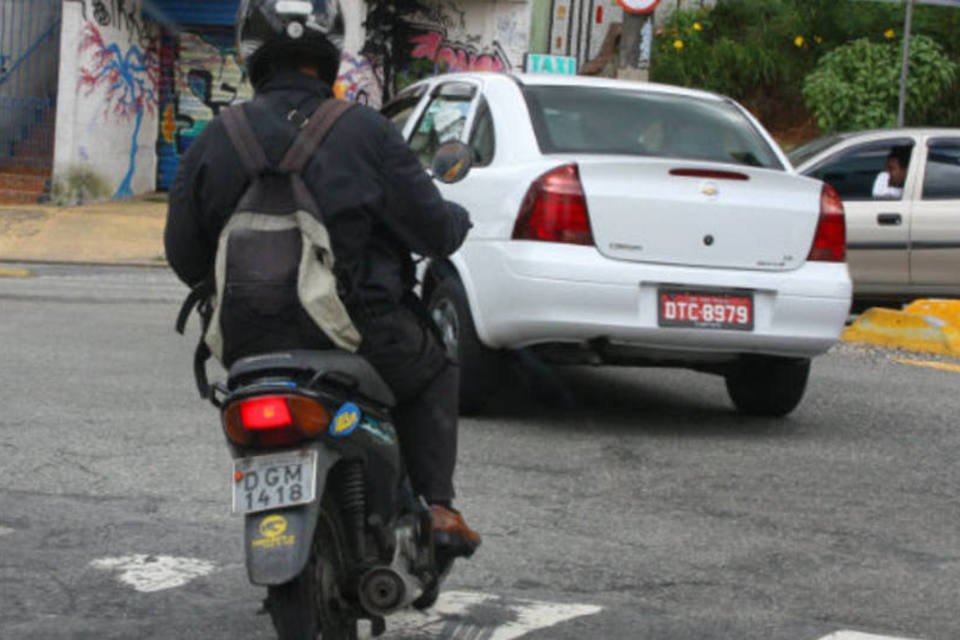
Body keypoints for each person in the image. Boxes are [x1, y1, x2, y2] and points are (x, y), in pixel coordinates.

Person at [164, 0, 480, 555]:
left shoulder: (218, 137)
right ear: (328, 53)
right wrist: (456, 220)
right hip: (363, 334)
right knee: (434, 367)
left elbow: (183, 254)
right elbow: (433, 231)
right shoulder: (368, 133)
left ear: (251, 54)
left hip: (248, 341)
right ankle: (438, 508)